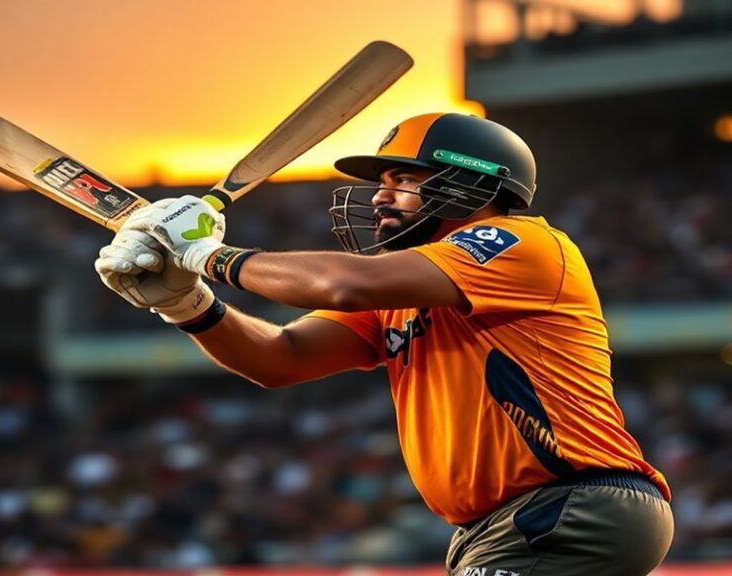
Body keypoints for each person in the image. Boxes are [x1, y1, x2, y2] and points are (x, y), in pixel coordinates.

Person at [95, 113, 674, 575]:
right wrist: (187, 302)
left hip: (572, 506)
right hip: (513, 523)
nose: (379, 196)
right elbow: (281, 358)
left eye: (404, 179)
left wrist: (204, 255)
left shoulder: (520, 243)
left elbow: (340, 283)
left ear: (474, 182)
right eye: (383, 182)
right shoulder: (405, 288)